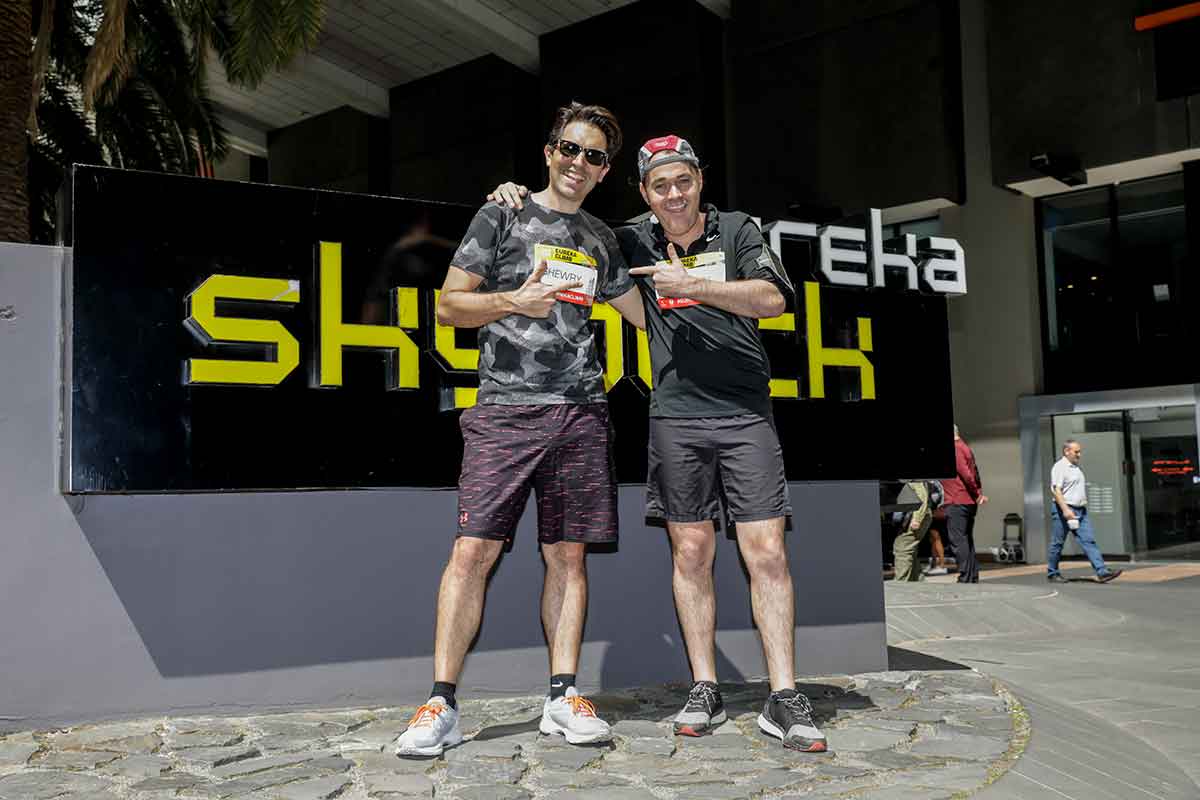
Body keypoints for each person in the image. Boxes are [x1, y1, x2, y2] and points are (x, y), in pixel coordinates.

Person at [489, 134, 827, 753]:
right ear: (645, 193)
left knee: (767, 552)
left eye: (683, 181)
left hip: (745, 414)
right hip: (674, 417)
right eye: (660, 185)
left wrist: (691, 284)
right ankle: (704, 686)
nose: (674, 195)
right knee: (691, 552)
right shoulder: (629, 239)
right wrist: (514, 195)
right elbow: (564, 226)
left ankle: (784, 695)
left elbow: (774, 299)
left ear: (700, 181)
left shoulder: (737, 229)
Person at [394, 102, 645, 757]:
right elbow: (449, 307)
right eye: (570, 148)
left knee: (568, 557)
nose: (578, 162)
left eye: (593, 156)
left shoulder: (600, 237)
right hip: (505, 412)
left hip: (582, 415)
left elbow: (644, 314)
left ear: (604, 171)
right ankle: (440, 704)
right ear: (550, 152)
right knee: (472, 552)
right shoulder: (501, 214)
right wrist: (515, 300)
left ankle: (562, 697)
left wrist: (702, 281)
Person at [1048, 439, 1123, 584]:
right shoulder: (1060, 467)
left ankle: (1102, 572)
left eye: (1080, 451)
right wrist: (1065, 510)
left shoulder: (1075, 467)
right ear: (1066, 451)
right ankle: (1052, 573)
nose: (1079, 454)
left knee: (1088, 540)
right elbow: (1056, 490)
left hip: (1080, 510)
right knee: (1057, 543)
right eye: (1076, 452)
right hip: (1064, 509)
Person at [942, 425, 987, 583]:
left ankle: (965, 577)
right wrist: (977, 494)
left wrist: (977, 494)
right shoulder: (964, 447)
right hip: (966, 501)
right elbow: (975, 473)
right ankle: (971, 575)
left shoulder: (956, 449)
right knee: (966, 539)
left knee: (958, 540)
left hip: (957, 500)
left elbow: (967, 475)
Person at [893, 481, 934, 581]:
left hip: (914, 517)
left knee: (902, 548)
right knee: (910, 549)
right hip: (914, 516)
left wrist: (917, 519)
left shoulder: (914, 480)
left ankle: (901, 581)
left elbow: (921, 496)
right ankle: (917, 580)